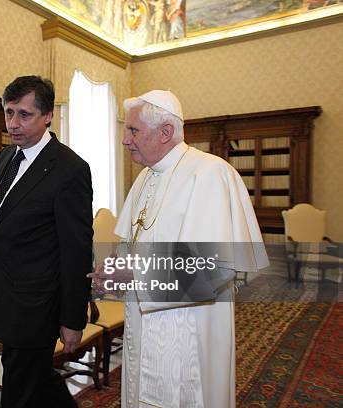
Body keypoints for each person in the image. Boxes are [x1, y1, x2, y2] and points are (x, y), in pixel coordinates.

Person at [89, 90, 269, 408]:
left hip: (190, 327)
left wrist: (136, 273)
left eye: (132, 130)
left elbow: (215, 269)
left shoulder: (211, 174)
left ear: (166, 132)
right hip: (143, 324)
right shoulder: (144, 178)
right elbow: (130, 246)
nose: (124, 140)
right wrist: (114, 272)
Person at [0, 76, 93, 408]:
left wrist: (73, 319)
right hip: (3, 298)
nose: (12, 124)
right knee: (37, 380)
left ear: (47, 115)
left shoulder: (70, 169)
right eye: (8, 113)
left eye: (24, 114)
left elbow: (76, 252)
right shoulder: (8, 156)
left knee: (19, 391)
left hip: (36, 307)